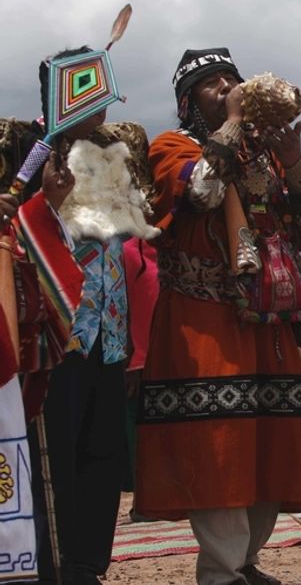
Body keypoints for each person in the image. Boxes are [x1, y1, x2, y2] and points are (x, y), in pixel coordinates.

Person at [135, 48, 301, 585]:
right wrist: (238, 120)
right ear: (187, 101)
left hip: (265, 319)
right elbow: (200, 191)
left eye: (232, 80)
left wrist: (294, 160)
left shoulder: (261, 156)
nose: (225, 88)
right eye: (211, 84)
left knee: (272, 440)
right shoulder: (170, 147)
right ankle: (220, 571)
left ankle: (245, 562)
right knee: (217, 443)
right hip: (201, 324)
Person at [7, 46, 158, 584]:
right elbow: (13, 226)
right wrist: (41, 197)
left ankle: (86, 564)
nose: (103, 109)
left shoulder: (110, 156)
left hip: (106, 332)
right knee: (55, 454)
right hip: (52, 332)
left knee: (100, 455)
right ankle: (47, 565)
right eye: (93, 96)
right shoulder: (22, 151)